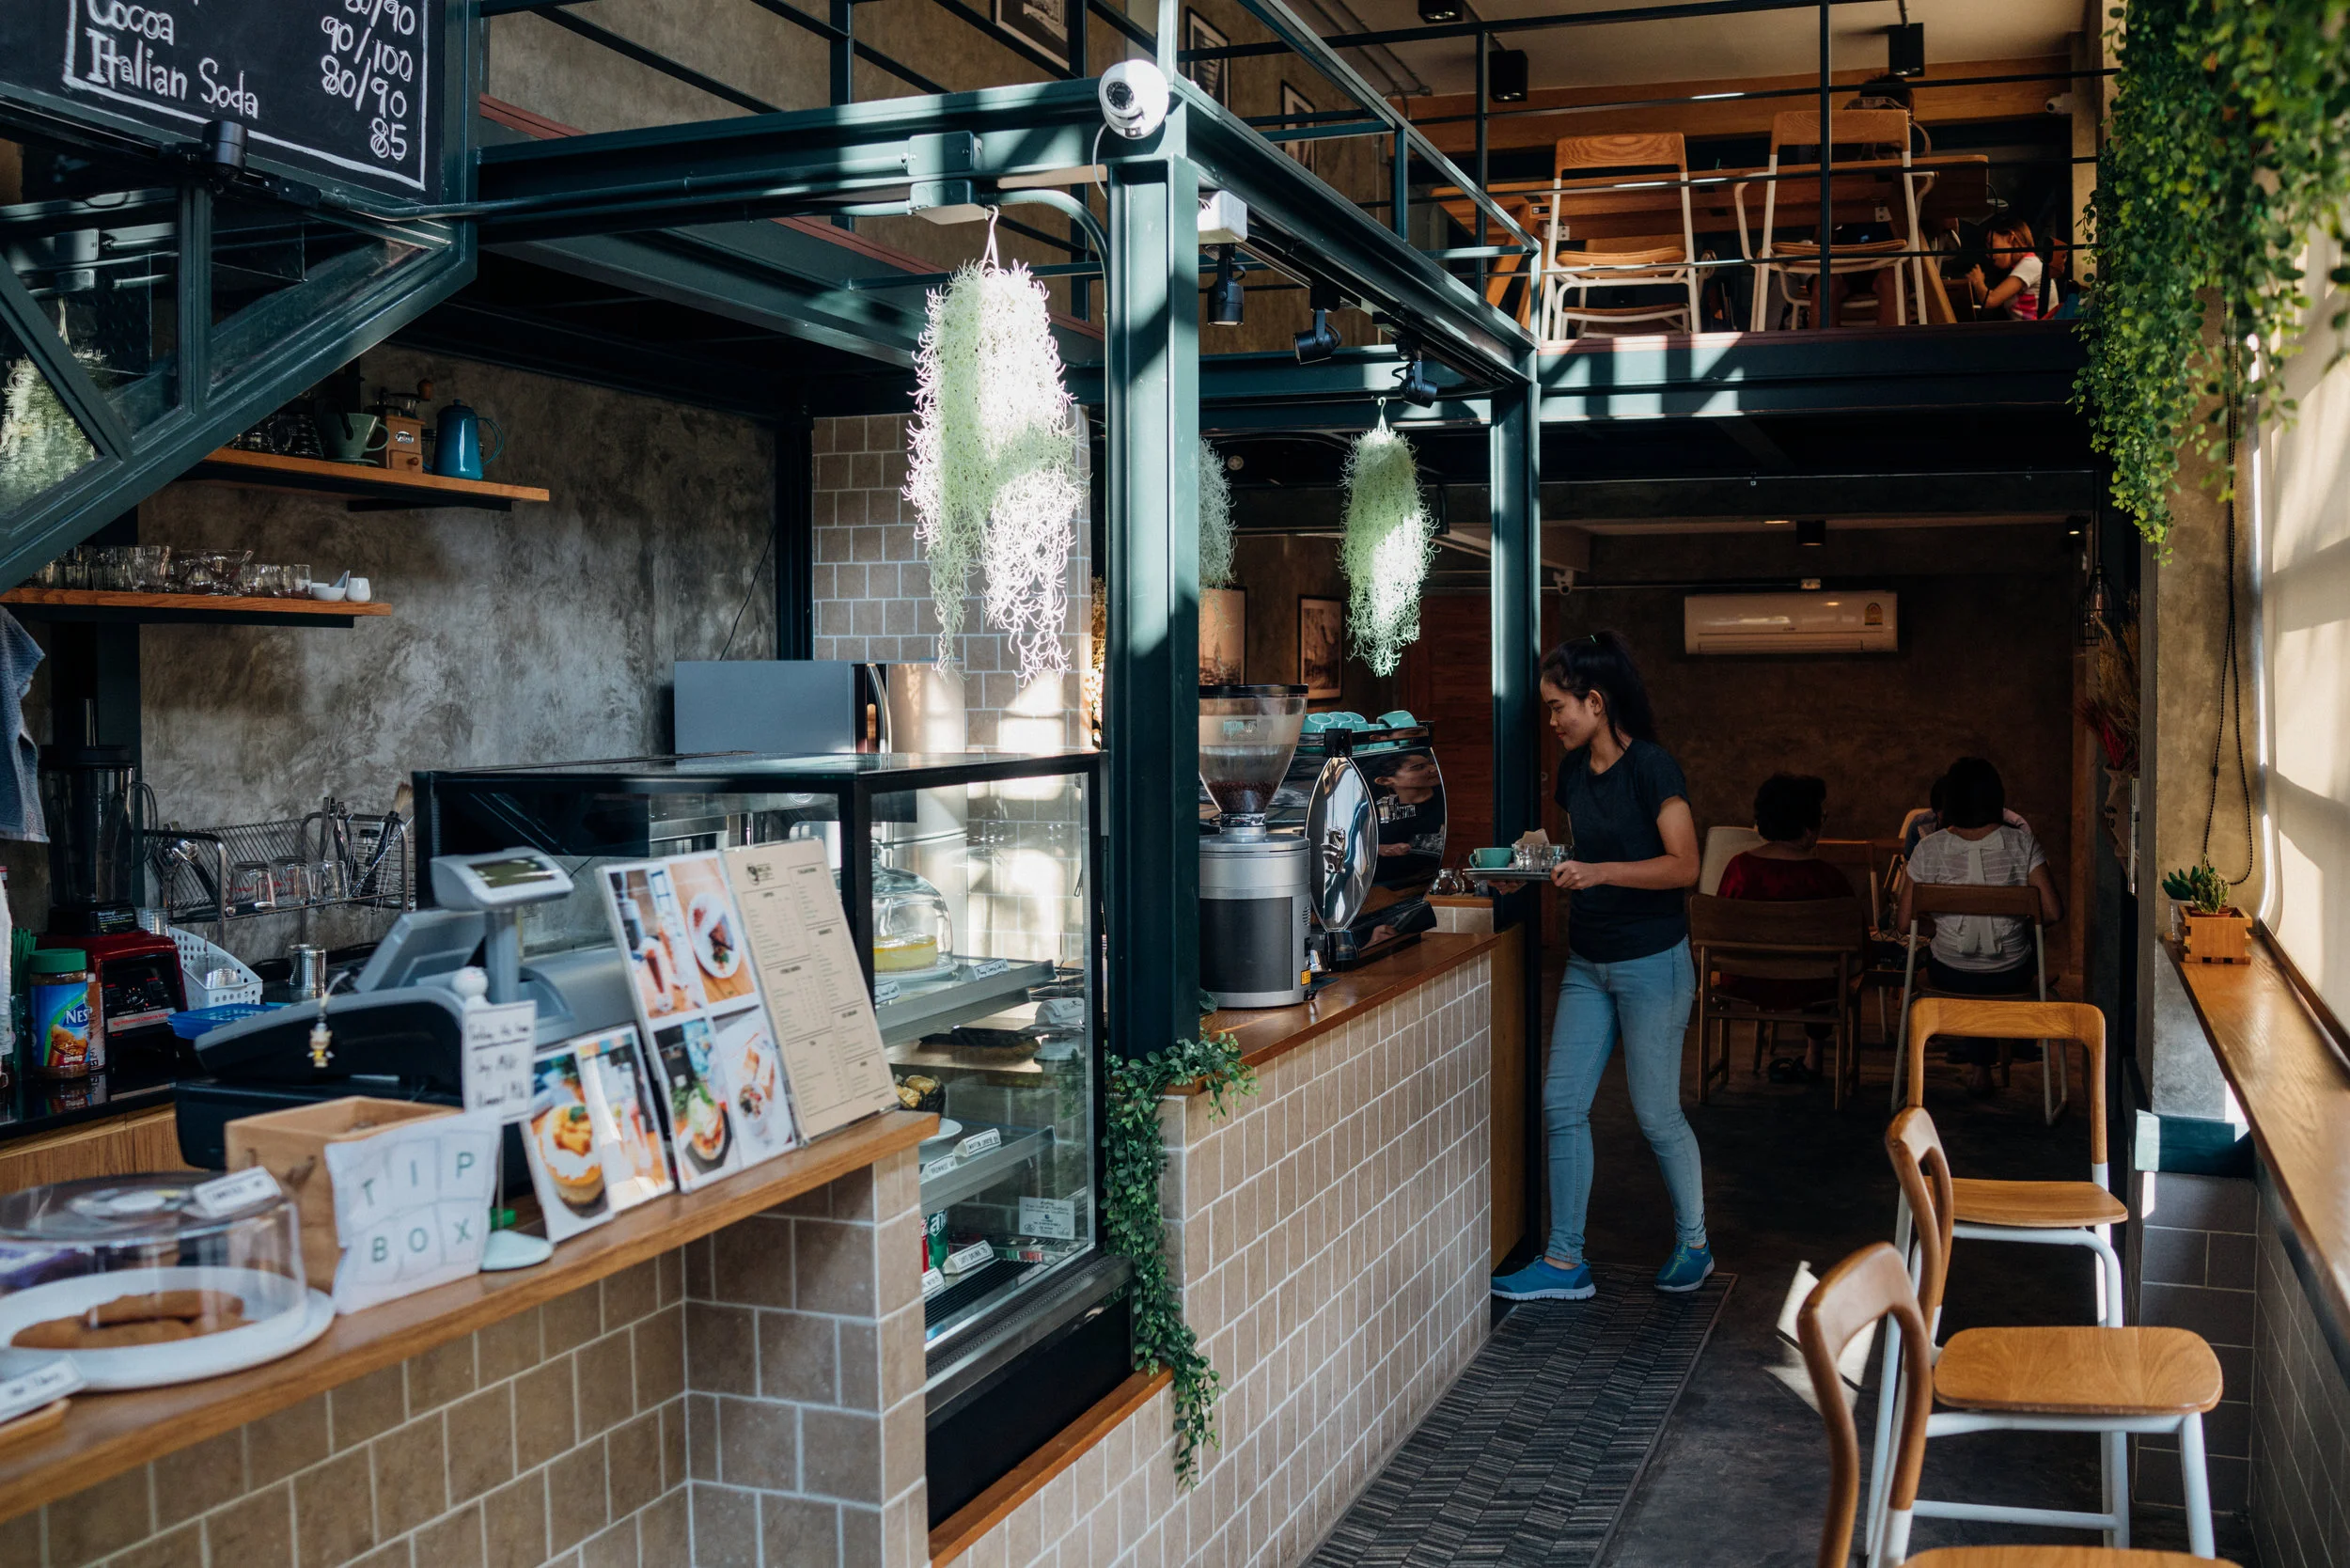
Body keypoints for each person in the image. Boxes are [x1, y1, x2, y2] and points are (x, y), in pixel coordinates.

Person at [1492, 632, 1709, 1303]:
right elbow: (1584, 849)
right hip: (1589, 962)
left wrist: (1599, 871)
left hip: (1653, 964)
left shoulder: (1653, 769)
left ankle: (1695, 1243)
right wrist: (1535, 858)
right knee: (1562, 1106)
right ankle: (1565, 1264)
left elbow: (1685, 865)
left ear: (1595, 701)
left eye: (1560, 708)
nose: (1552, 721)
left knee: (1656, 1115)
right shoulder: (1572, 774)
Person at [1897, 756, 2064, 1094]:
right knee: (1999, 971)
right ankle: (1986, 1070)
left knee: (1961, 970)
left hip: (1948, 973)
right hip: (2011, 974)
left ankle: (1975, 1071)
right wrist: (2014, 923)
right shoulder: (2022, 844)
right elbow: (2053, 912)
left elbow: (1903, 923)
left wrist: (1945, 927)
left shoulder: (1928, 849)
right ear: (1997, 798)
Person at [1716, 774, 1854, 1080]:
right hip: (1811, 985)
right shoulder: (1827, 877)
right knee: (1835, 969)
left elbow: (1722, 930)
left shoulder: (1738, 867)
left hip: (1744, 980)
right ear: (1808, 828)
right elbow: (1854, 945)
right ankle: (1814, 1058)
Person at [1964, 216, 2050, 321]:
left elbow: (1990, 300)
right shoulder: (2026, 264)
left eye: (1991, 244)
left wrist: (1978, 282)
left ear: (2011, 238)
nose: (1988, 253)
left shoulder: (2029, 264)